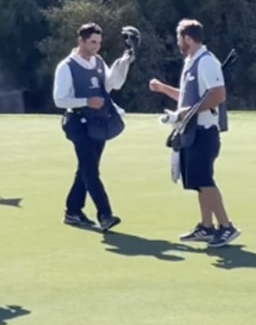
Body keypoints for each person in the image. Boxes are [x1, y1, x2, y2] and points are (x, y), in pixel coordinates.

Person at [150, 19, 239, 246]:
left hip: (204, 131)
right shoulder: (192, 61)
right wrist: (163, 89)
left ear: (187, 38)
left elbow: (217, 95)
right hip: (192, 131)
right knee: (199, 182)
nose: (177, 42)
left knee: (204, 180)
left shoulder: (207, 62)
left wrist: (188, 112)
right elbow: (187, 97)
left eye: (179, 38)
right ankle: (206, 226)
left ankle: (226, 227)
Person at [53, 22, 133, 232]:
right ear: (81, 41)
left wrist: (125, 61)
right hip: (77, 122)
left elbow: (112, 84)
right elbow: (60, 100)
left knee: (86, 168)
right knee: (90, 169)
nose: (96, 46)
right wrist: (86, 102)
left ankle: (72, 210)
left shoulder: (98, 62)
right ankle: (104, 214)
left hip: (98, 122)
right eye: (92, 42)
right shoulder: (66, 66)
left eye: (98, 42)